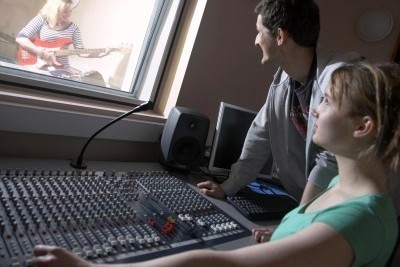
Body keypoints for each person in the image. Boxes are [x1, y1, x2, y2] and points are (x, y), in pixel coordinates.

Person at [31, 61, 400, 267]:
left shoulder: (361, 218)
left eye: (330, 100)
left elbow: (221, 266)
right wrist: (291, 237)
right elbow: (320, 238)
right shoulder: (342, 189)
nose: (316, 108)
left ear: (363, 127)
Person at [197, 0, 362, 242]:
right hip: (313, 210)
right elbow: (260, 135)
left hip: (350, 214)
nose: (255, 40)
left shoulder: (340, 77)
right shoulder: (283, 80)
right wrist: (228, 187)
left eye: (259, 31)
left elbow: (331, 160)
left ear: (281, 36)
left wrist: (293, 226)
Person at [15, 0, 108, 82]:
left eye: (70, 11)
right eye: (65, 12)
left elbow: (81, 51)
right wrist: (41, 52)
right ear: (55, 10)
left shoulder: (73, 28)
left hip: (63, 71)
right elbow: (20, 38)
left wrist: (98, 54)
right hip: (41, 68)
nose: (69, 14)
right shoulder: (41, 20)